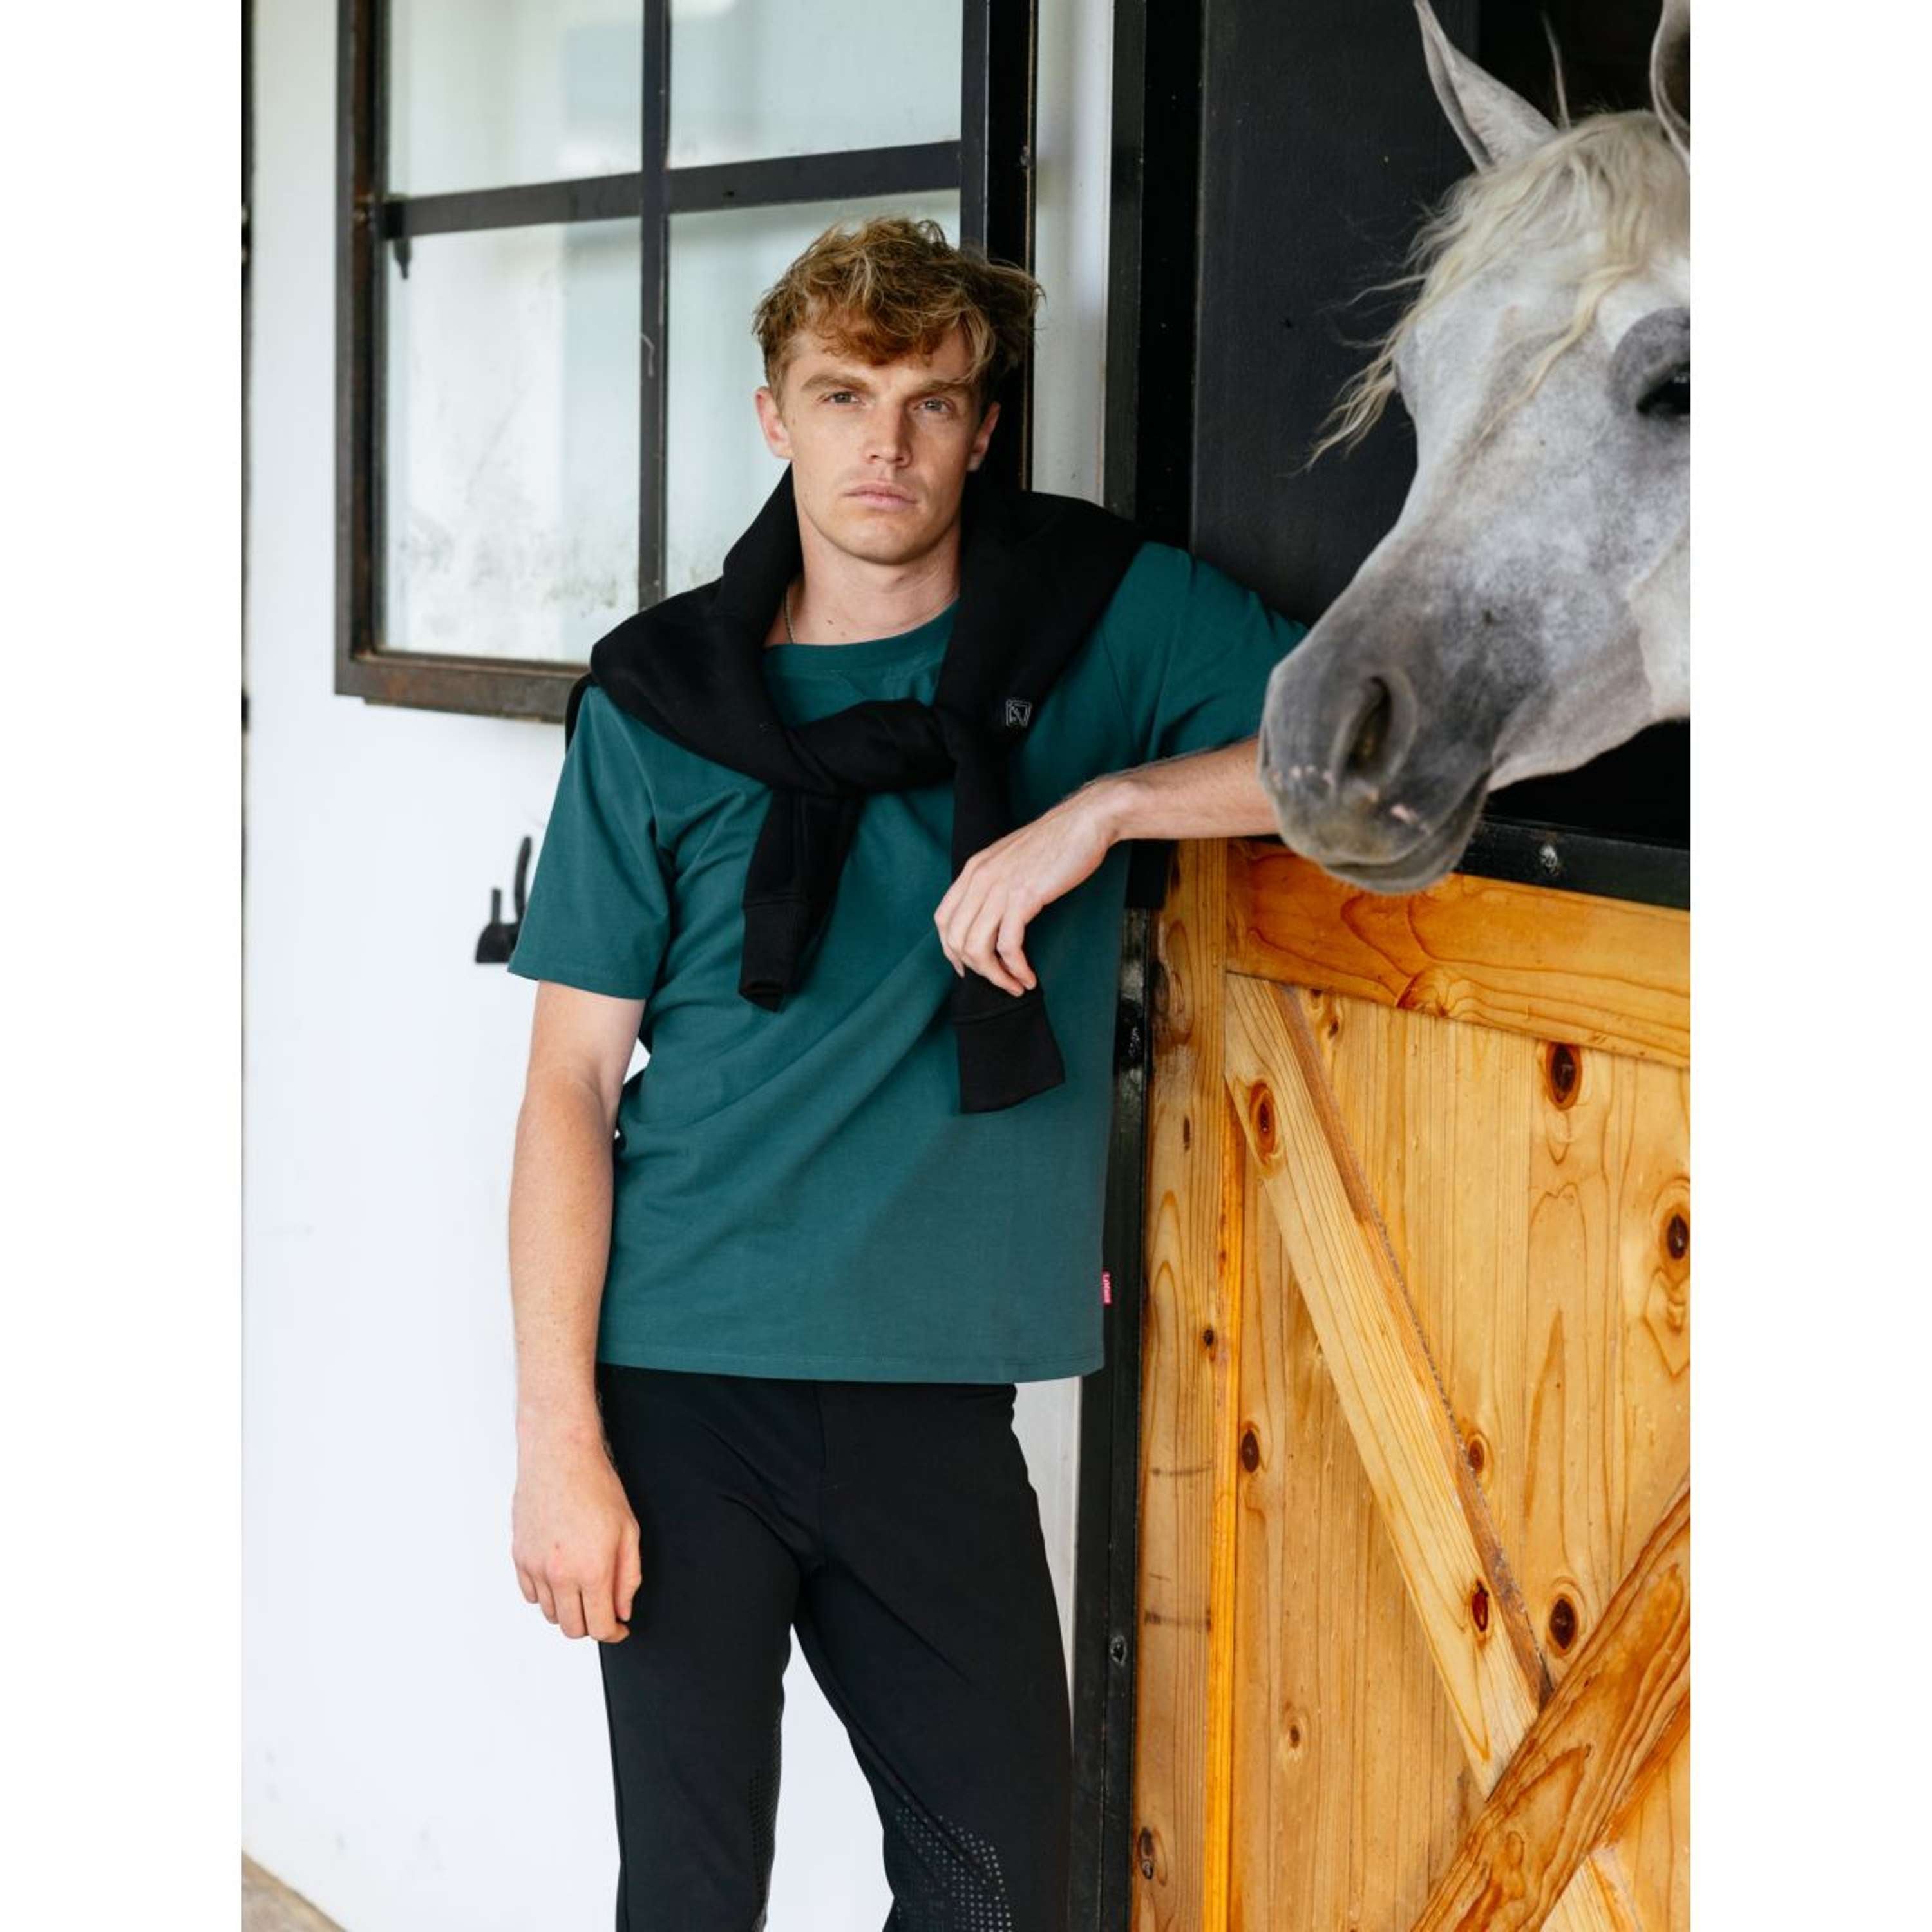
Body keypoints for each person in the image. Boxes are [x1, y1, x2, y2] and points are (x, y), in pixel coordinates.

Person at [505, 214, 1305, 1931]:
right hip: (682, 1376)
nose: (888, 444)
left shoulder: (1102, 626)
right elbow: (570, 1082)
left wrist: (1107, 809)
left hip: (934, 1390)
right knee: (692, 1897)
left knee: (999, 1890)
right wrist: (558, 1441)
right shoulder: (660, 703)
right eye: (843, 395)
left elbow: (1362, 741)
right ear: (774, 417)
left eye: (932, 401)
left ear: (984, 427)